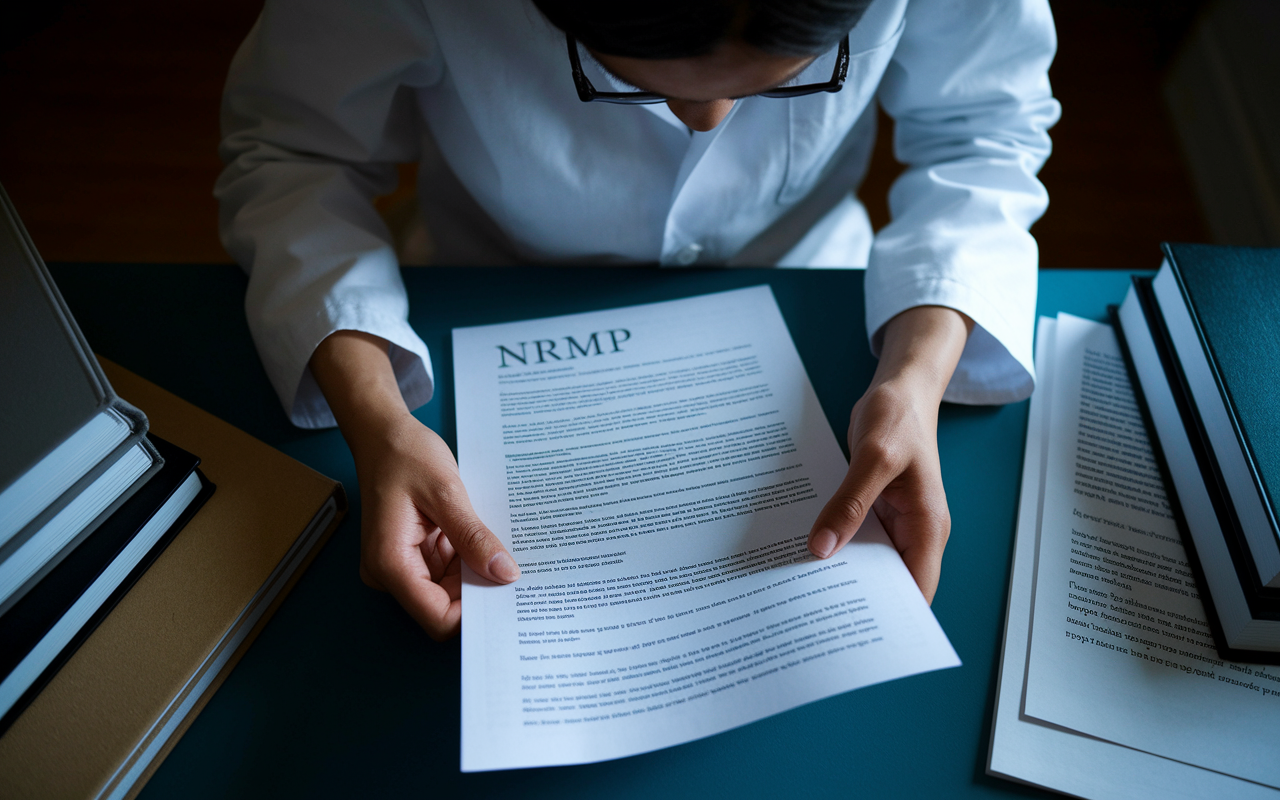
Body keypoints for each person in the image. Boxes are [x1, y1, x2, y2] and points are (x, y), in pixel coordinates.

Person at [216, 0, 1059, 640]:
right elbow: (295, 151)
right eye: (630, 85)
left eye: (785, 74)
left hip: (813, 292)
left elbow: (981, 133)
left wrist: (914, 380)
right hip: (493, 284)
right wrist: (375, 418)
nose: (706, 121)